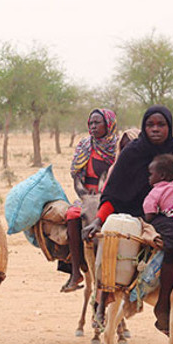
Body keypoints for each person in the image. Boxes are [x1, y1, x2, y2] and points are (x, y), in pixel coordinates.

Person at [83, 105, 173, 343]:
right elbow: (114, 194)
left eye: (160, 125)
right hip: (144, 214)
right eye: (150, 125)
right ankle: (163, 308)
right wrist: (99, 220)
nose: (155, 129)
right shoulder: (133, 153)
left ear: (169, 126)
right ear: (144, 127)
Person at [62, 109, 118, 293]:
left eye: (97, 123)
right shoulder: (85, 146)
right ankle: (75, 270)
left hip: (112, 195)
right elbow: (77, 177)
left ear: (108, 124)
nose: (93, 127)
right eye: (91, 123)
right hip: (86, 195)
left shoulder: (118, 147)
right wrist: (86, 196)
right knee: (72, 214)